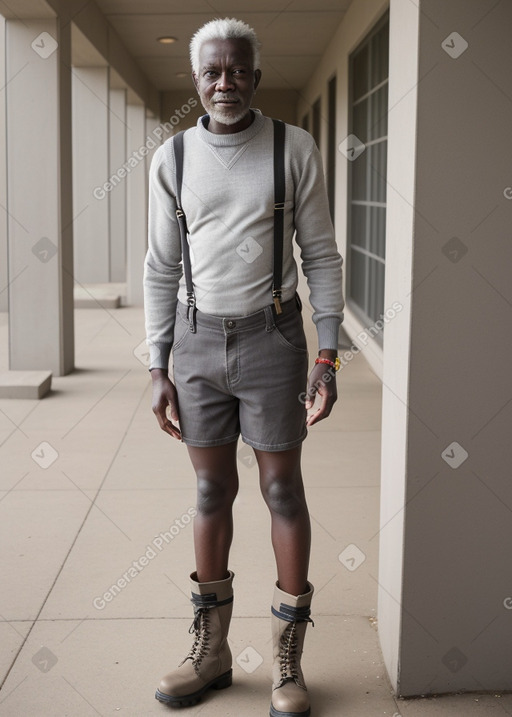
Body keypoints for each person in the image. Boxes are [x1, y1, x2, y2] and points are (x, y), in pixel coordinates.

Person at [143, 17, 344, 717]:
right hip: (196, 345)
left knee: (282, 491)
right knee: (209, 491)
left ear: (255, 78)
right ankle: (213, 651)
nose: (224, 82)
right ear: (195, 81)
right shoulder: (171, 158)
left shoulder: (294, 148)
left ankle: (288, 662)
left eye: (237, 70)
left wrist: (327, 353)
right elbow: (161, 267)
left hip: (274, 340)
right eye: (211, 72)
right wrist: (157, 363)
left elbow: (321, 256)